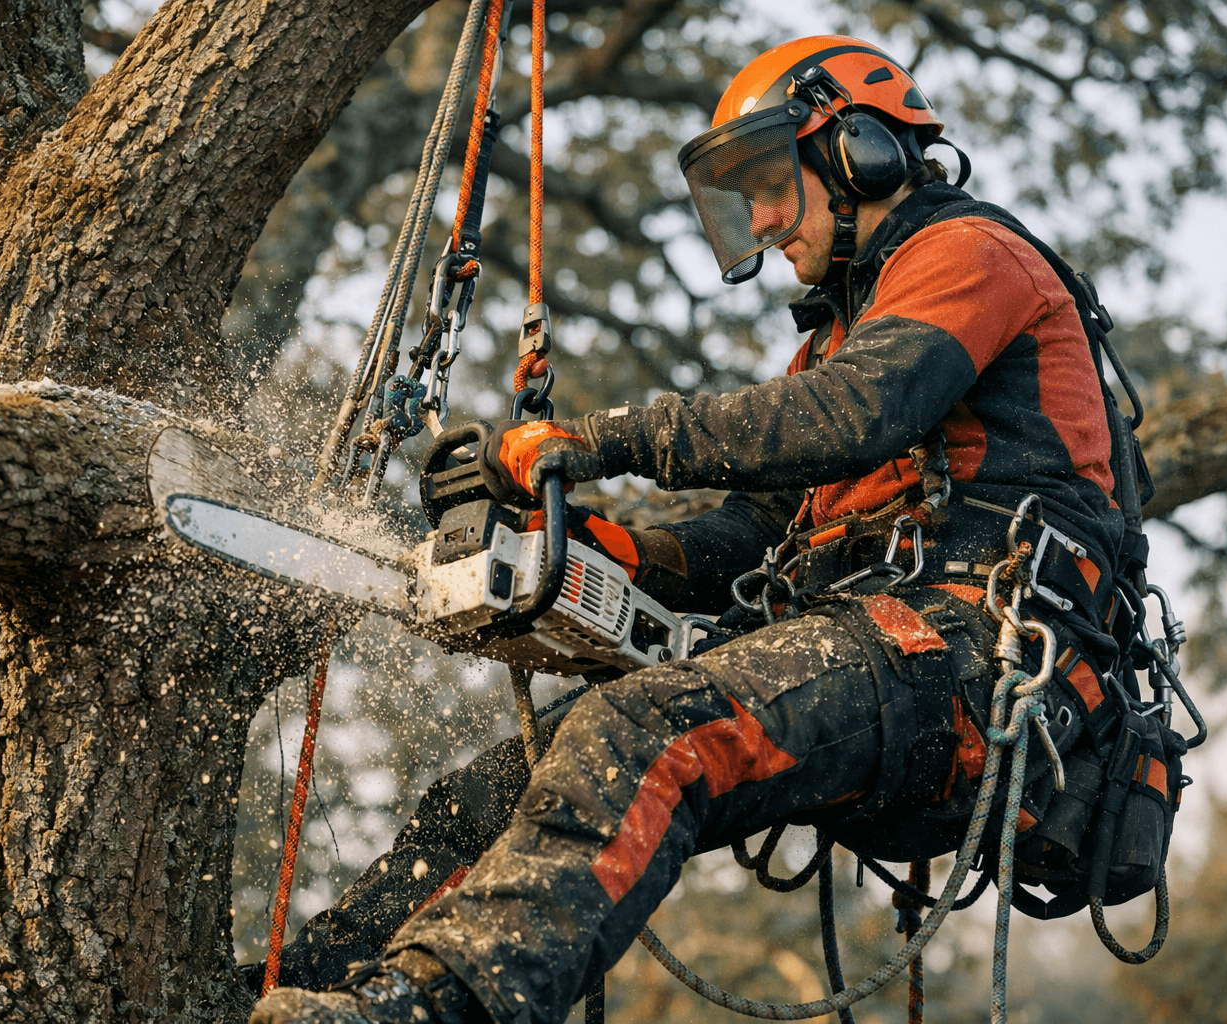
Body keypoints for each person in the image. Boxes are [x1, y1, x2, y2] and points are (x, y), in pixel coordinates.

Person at [253, 34, 1139, 1024]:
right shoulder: (834, 346)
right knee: (497, 791)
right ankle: (291, 989)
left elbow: (856, 417)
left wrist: (609, 438)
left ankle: (430, 1011)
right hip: (867, 648)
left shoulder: (969, 256)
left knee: (645, 730)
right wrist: (581, 536)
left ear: (860, 150)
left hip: (974, 657)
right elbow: (738, 550)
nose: (760, 222)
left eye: (771, 183)